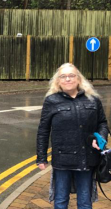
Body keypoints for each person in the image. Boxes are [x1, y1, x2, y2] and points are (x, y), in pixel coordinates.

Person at [36, 63, 109, 209]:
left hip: (87, 158)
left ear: (79, 79)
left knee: (85, 202)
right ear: (58, 81)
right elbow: (43, 130)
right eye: (63, 76)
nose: (68, 79)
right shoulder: (51, 101)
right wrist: (41, 157)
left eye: (71, 75)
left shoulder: (92, 99)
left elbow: (102, 123)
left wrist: (100, 139)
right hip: (63, 160)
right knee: (61, 201)